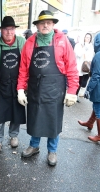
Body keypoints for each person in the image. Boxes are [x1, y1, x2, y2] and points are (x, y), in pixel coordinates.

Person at [17, 10, 79, 166]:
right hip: (35, 88)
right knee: (35, 117)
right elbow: (23, 68)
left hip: (55, 88)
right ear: (37, 25)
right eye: (42, 23)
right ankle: (34, 145)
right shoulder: (30, 42)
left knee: (53, 119)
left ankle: (52, 150)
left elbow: (71, 67)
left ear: (53, 25)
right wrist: (20, 89)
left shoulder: (63, 41)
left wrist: (72, 91)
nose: (45, 25)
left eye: (49, 23)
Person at [0, 16, 26, 153]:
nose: (9, 32)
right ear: (1, 30)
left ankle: (14, 136)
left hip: (17, 84)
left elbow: (26, 64)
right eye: (6, 29)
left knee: (16, 111)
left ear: (15, 30)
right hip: (1, 84)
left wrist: (23, 87)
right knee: (0, 113)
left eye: (11, 29)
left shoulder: (22, 42)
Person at [74, 33, 94, 101]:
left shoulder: (91, 46)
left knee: (83, 82)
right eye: (86, 37)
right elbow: (78, 54)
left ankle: (78, 94)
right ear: (84, 37)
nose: (87, 39)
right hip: (79, 66)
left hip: (86, 67)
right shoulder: (79, 45)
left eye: (89, 38)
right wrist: (84, 48)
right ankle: (75, 95)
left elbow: (91, 56)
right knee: (78, 82)